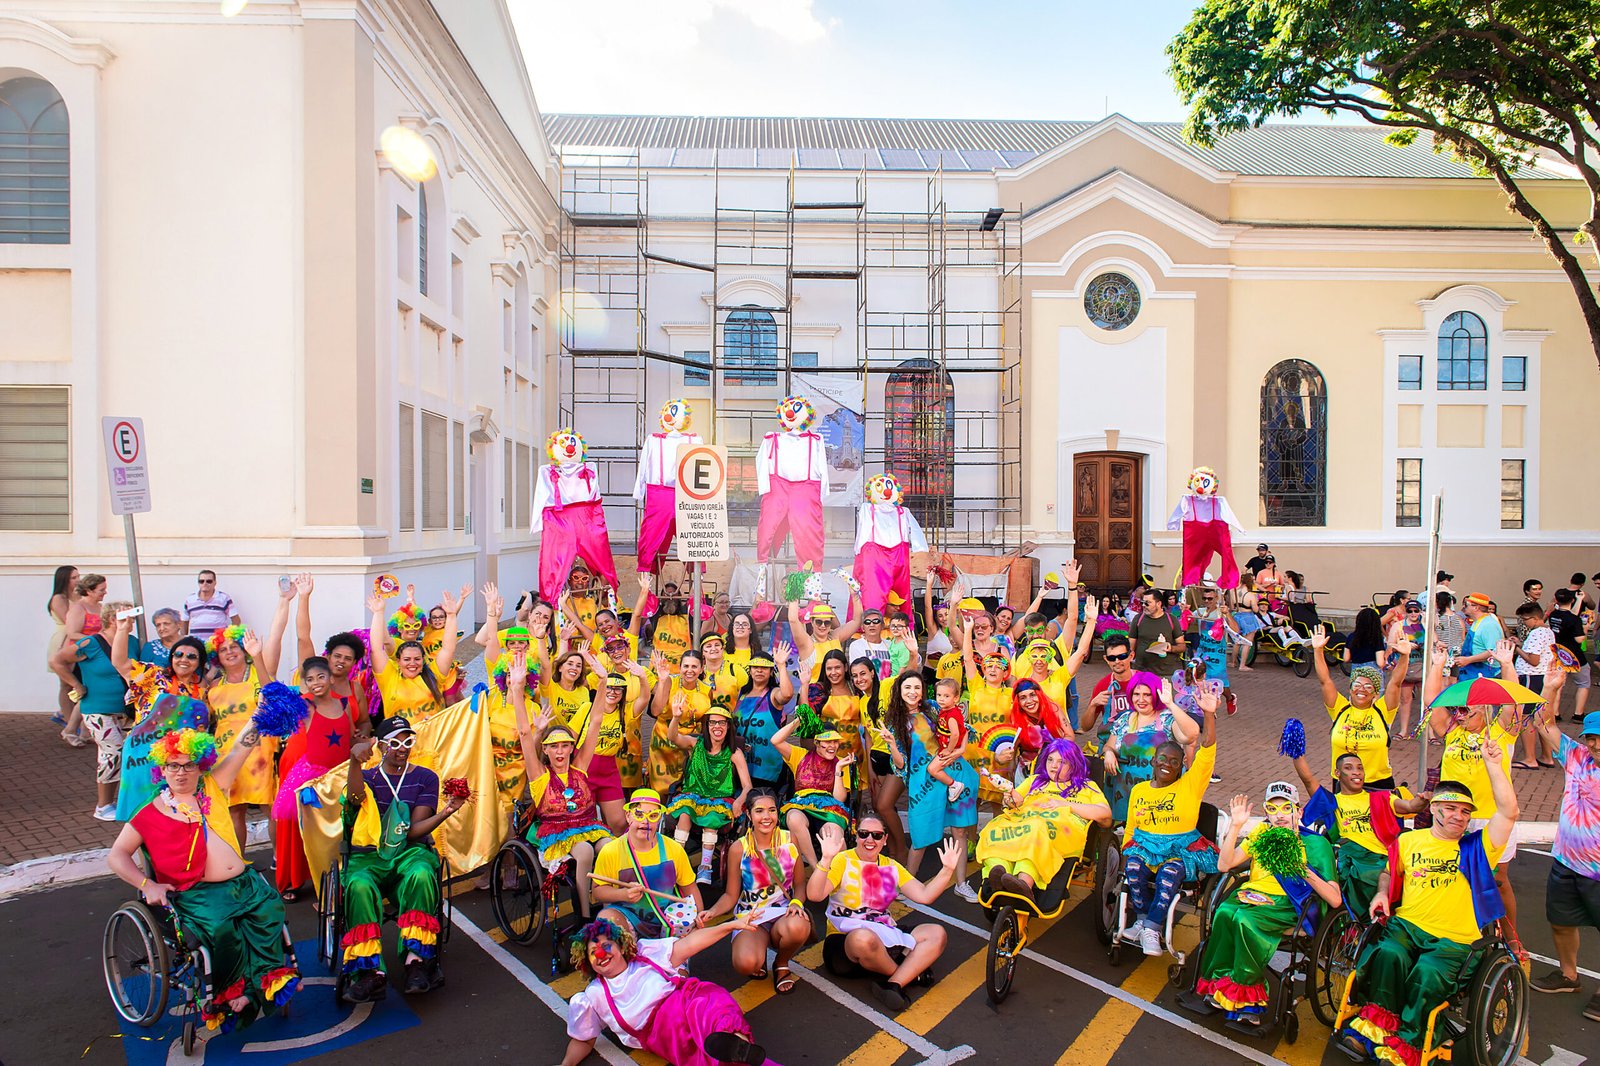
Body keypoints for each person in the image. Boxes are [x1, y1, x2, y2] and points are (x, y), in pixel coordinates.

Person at [1333, 744, 1519, 1066]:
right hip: (1409, 925)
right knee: (1387, 954)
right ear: (1433, 808)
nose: (1458, 817)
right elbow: (1389, 872)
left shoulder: (1478, 847)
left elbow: (1509, 812)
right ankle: (1374, 1030)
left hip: (1455, 939)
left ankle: (1408, 1044)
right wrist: (1381, 892)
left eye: (1465, 812)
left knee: (1427, 973)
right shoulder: (1408, 841)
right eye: (1450, 808)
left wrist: (1494, 765)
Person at [107, 723, 299, 1032]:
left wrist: (259, 718)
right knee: (221, 928)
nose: (181, 772)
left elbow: (241, 747)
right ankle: (233, 992)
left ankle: (264, 980)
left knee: (269, 910)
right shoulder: (148, 813)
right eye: (173, 765)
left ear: (200, 767)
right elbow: (116, 856)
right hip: (197, 894)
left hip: (244, 885)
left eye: (189, 765)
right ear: (162, 770)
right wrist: (147, 884)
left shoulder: (212, 786)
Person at [1187, 782, 1340, 1028]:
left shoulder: (1316, 845)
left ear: (1298, 812)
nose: (1279, 816)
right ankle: (1221, 985)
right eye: (1272, 808)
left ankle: (1248, 1001)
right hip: (1251, 895)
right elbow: (1225, 865)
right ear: (1267, 813)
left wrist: (1302, 870)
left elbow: (1335, 899)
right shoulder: (1261, 834)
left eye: (1286, 808)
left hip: (1288, 904)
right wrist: (1236, 826)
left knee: (1245, 921)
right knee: (1225, 913)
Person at [337, 716, 463, 1002]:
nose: (402, 748)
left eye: (407, 740)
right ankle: (369, 972)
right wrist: (355, 761)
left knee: (420, 872)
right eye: (395, 742)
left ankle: (416, 961)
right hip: (369, 857)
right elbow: (354, 798)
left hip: (407, 851)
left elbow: (413, 832)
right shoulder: (368, 777)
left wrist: (446, 812)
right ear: (381, 746)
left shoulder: (425, 777)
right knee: (357, 884)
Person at [560, 914, 774, 1066]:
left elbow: (691, 944)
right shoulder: (594, 995)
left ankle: (738, 1044)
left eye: (606, 946)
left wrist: (731, 926)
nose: (600, 954)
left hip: (686, 999)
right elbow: (583, 1039)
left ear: (620, 946)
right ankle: (737, 1054)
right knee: (703, 1055)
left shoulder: (646, 953)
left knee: (714, 1005)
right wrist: (566, 1064)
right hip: (663, 1032)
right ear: (586, 961)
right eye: (593, 952)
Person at [1423, 640, 1524, 955]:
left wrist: (1507, 664)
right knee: (1456, 876)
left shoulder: (1502, 733)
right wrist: (1438, 666)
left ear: (1484, 708)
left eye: (1468, 707)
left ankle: (1512, 937)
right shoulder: (1452, 732)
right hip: (1454, 817)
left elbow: (1513, 705)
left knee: (1498, 881)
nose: (1461, 712)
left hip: (1491, 817)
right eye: (1460, 707)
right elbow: (1432, 703)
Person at [808, 816, 961, 1013]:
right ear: (856, 836)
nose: (870, 840)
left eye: (877, 835)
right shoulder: (842, 860)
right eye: (864, 834)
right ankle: (909, 974)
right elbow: (815, 895)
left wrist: (947, 870)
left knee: (936, 933)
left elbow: (924, 895)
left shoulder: (892, 866)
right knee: (863, 939)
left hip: (884, 934)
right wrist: (826, 859)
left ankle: (894, 984)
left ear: (885, 839)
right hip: (845, 944)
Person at [1120, 687, 1220, 957]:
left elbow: (1208, 749)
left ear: (1181, 767)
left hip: (1180, 847)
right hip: (1146, 844)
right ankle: (1141, 920)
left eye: (1174, 762)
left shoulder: (1190, 784)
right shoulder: (1140, 790)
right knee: (1132, 866)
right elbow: (1131, 829)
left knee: (1169, 874)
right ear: (1153, 761)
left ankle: (1152, 928)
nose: (1167, 764)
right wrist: (1126, 849)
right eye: (1162, 759)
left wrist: (1208, 714)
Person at [509, 664, 609, 923]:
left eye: (565, 745)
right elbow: (523, 733)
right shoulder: (539, 775)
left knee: (611, 846)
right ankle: (584, 915)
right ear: (547, 750)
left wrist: (604, 679)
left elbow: (596, 721)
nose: (560, 751)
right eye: (554, 747)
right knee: (585, 852)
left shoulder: (580, 767)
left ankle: (610, 905)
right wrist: (517, 688)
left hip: (587, 824)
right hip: (556, 832)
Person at [1522, 702, 1600, 1018]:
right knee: (1561, 921)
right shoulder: (1577, 756)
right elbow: (1543, 722)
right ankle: (1569, 975)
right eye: (1590, 737)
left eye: (1599, 737)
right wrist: (1553, 686)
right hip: (1566, 861)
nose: (1594, 743)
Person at [272, 655, 367, 901]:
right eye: (310, 679)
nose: (316, 683)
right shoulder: (305, 706)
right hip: (310, 777)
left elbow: (349, 739)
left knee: (336, 831)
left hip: (338, 775)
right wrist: (258, 657)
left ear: (330, 678)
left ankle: (334, 877)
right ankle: (290, 882)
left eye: (321, 677)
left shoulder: (345, 704)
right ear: (304, 682)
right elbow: (272, 692)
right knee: (297, 830)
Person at [1291, 750, 1428, 916]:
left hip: (1383, 857)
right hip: (1352, 857)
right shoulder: (1333, 801)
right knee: (1368, 876)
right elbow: (1308, 780)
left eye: (1360, 768)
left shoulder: (1382, 798)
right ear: (1337, 773)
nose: (1356, 772)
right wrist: (1296, 751)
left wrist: (1422, 800)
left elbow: (1410, 807)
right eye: (1349, 768)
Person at [702, 790, 813, 993]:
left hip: (783, 913)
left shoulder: (790, 839)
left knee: (798, 926)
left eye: (771, 810)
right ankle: (757, 952)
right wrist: (712, 912)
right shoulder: (739, 848)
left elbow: (799, 884)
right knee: (746, 964)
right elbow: (730, 896)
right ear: (749, 815)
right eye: (759, 811)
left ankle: (781, 963)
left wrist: (797, 903)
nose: (766, 817)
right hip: (752, 916)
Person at [977, 738, 1110, 902]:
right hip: (1025, 823)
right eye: (1050, 760)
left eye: (1062, 762)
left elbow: (1105, 816)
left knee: (1036, 830)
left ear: (1074, 765)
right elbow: (1014, 801)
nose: (1054, 766)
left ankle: (1024, 884)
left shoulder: (1086, 786)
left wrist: (1065, 804)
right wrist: (1010, 800)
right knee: (995, 827)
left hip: (1055, 830)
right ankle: (998, 874)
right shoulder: (1035, 781)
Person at [882, 670, 978, 878]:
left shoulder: (934, 708)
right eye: (907, 687)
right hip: (923, 785)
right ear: (899, 691)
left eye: (917, 687)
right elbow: (900, 765)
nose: (912, 692)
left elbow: (963, 728)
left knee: (959, 831)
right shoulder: (895, 723)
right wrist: (891, 745)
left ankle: (961, 884)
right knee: (920, 838)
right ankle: (908, 884)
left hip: (952, 772)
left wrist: (959, 751)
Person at [50, 599, 138, 819]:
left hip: (125, 710)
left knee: (124, 753)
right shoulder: (92, 644)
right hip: (97, 709)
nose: (131, 621)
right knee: (113, 750)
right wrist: (76, 684)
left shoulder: (133, 642)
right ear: (111, 619)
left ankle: (118, 799)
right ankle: (103, 804)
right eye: (126, 616)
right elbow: (57, 660)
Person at [592, 788, 705, 939]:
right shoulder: (611, 851)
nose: (645, 822)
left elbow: (689, 887)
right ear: (628, 816)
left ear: (659, 819)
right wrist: (623, 894)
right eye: (639, 815)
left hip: (667, 918)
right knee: (606, 919)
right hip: (628, 919)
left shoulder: (674, 849)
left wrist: (698, 916)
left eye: (653, 816)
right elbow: (598, 891)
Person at [665, 703, 752, 884]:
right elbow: (672, 737)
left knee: (711, 817)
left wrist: (739, 801)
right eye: (713, 723)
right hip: (693, 795)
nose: (717, 727)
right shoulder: (695, 744)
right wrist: (675, 717)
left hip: (719, 798)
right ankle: (676, 862)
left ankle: (705, 866)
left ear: (728, 726)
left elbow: (747, 786)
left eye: (722, 723)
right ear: (707, 726)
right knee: (685, 814)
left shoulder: (734, 753)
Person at [1312, 629, 1407, 789]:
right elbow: (1325, 681)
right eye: (1357, 685)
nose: (1361, 689)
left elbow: (1395, 683)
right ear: (1350, 689)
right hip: (1343, 784)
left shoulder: (1383, 710)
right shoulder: (1340, 708)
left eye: (1368, 686)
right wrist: (1318, 650)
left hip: (1378, 784)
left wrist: (1404, 656)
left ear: (1376, 694)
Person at [1103, 672, 1198, 822]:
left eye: (1147, 695)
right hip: (1127, 793)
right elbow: (1109, 746)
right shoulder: (1124, 719)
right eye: (1136, 694)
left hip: (1160, 797)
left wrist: (1171, 704)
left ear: (1156, 695)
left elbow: (1191, 735)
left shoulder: (1166, 719)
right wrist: (1108, 753)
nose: (1141, 700)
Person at [367, 589, 462, 725]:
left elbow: (448, 649)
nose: (412, 663)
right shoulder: (389, 678)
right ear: (398, 661)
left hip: (433, 743)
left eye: (417, 659)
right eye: (407, 659)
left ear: (423, 660)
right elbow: (377, 649)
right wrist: (378, 613)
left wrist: (452, 616)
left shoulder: (434, 675)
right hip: (401, 744)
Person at [773, 717, 854, 869]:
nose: (832, 746)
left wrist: (838, 770)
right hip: (802, 804)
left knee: (836, 839)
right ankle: (815, 866)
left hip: (829, 808)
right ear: (817, 743)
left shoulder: (842, 762)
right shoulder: (800, 755)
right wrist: (798, 720)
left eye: (835, 742)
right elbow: (775, 740)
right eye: (827, 742)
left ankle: (837, 880)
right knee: (794, 818)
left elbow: (839, 798)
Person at [647, 649, 713, 792]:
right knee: (661, 789)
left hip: (688, 745)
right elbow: (655, 711)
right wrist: (662, 681)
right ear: (680, 667)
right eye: (686, 666)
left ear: (702, 668)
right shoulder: (670, 681)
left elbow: (706, 722)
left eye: (694, 666)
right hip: (663, 743)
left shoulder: (707, 690)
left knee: (685, 788)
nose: (690, 670)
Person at [734, 643, 795, 794]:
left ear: (770, 671)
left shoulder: (773, 694)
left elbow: (787, 695)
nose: (759, 670)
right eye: (755, 666)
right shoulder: (742, 693)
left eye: (764, 667)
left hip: (767, 768)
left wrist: (781, 665)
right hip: (741, 765)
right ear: (749, 670)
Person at [1512, 602, 1557, 769]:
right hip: (1542, 677)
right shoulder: (1548, 631)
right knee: (1542, 718)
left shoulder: (1537, 633)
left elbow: (1533, 659)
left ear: (1535, 618)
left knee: (1526, 717)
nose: (1524, 623)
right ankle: (1547, 756)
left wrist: (1517, 649)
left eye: (1525, 619)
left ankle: (1530, 758)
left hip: (1532, 676)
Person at [808, 649, 865, 764]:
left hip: (856, 756)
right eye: (829, 669)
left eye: (837, 668)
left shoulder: (856, 688)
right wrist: (804, 686)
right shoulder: (818, 690)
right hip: (827, 757)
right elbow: (806, 720)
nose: (833, 672)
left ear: (845, 667)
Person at [789, 594, 864, 684]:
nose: (823, 626)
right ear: (812, 622)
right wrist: (795, 589)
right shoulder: (807, 643)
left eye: (827, 623)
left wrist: (855, 595)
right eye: (819, 622)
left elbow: (857, 621)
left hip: (838, 694)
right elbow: (793, 620)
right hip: (814, 694)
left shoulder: (835, 637)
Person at [45, 564, 81, 737]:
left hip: (76, 642)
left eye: (78, 577)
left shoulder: (77, 596)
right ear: (65, 579)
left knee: (76, 681)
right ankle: (67, 719)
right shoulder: (59, 598)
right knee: (66, 683)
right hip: (63, 641)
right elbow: (69, 621)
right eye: (74, 577)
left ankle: (68, 714)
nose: (77, 580)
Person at [1384, 599, 1426, 737]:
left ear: (1420, 611)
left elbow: (1433, 642)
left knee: (1426, 701)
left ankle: (1428, 732)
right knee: (1405, 699)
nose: (1413, 614)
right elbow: (1390, 646)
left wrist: (1425, 624)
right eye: (1410, 611)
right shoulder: (1399, 626)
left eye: (1416, 610)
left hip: (1422, 666)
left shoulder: (1424, 625)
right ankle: (1403, 731)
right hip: (1405, 666)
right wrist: (1403, 646)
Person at [1548, 587, 1589, 723]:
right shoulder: (1574, 620)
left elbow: (1569, 616)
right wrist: (1585, 629)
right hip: (1575, 656)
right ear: (1571, 600)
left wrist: (1579, 600)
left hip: (1558, 653)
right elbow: (1579, 639)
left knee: (1558, 685)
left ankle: (1555, 713)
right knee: (1583, 683)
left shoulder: (1553, 615)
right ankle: (1578, 714)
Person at [1454, 592, 1505, 682]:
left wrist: (1468, 660)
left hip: (1486, 673)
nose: (1463, 607)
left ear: (1476, 607)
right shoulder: (1478, 621)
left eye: (1466, 605)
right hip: (1472, 670)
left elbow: (1492, 651)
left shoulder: (1489, 625)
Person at [182, 569, 240, 641]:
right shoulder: (190, 599)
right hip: (196, 644)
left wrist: (231, 639)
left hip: (217, 644)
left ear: (215, 583)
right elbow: (184, 622)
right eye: (201, 581)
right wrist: (183, 641)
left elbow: (236, 620)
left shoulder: (224, 598)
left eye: (209, 581)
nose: (205, 583)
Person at [1344, 608, 1388, 673]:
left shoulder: (1351, 636)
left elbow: (1346, 658)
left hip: (1356, 671)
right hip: (1373, 671)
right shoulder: (1377, 638)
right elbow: (1380, 663)